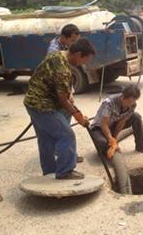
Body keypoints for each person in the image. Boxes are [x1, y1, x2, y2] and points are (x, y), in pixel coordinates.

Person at [24, 38, 95, 179]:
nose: (84, 64)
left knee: (45, 139)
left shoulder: (57, 55)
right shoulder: (62, 68)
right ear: (78, 54)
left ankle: (49, 172)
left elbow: (63, 95)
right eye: (84, 60)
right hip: (42, 106)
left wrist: (74, 108)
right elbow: (63, 100)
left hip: (32, 102)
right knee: (66, 135)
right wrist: (78, 116)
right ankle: (65, 171)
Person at [47, 23, 84, 163]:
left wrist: (71, 93)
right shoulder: (54, 53)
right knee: (64, 129)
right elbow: (58, 78)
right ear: (63, 37)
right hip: (53, 94)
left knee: (65, 122)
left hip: (62, 89)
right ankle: (66, 158)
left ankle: (64, 151)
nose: (74, 44)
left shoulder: (65, 47)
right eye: (73, 41)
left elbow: (67, 75)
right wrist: (68, 100)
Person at [90, 84, 143, 160]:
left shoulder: (132, 104)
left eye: (134, 101)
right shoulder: (109, 103)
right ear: (122, 97)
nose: (131, 104)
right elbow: (104, 124)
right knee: (102, 142)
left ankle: (141, 146)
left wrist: (115, 138)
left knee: (136, 117)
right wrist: (111, 140)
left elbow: (122, 122)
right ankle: (106, 151)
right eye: (129, 101)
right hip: (99, 128)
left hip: (113, 124)